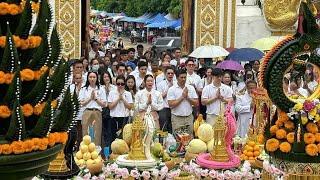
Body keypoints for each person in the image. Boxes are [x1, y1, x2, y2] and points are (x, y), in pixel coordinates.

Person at [79, 71, 107, 146]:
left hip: (97, 112)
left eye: (94, 77)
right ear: (88, 78)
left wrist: (95, 99)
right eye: (90, 77)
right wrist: (90, 98)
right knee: (86, 133)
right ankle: (85, 152)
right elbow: (81, 103)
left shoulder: (101, 88)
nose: (92, 79)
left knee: (96, 134)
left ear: (97, 78)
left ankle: (96, 152)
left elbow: (104, 104)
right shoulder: (84, 89)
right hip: (87, 111)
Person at [168, 69, 198, 137]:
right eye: (181, 77)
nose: (183, 79)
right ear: (177, 77)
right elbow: (170, 104)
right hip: (177, 118)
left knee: (189, 139)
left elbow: (196, 103)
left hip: (189, 117)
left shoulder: (190, 88)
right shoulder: (172, 89)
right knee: (178, 140)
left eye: (185, 77)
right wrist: (182, 97)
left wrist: (187, 97)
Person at [108, 75, 133, 143]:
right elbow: (110, 106)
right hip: (114, 118)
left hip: (124, 118)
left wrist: (123, 99)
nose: (120, 85)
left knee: (124, 138)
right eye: (118, 84)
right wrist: (118, 98)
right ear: (116, 84)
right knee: (113, 138)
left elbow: (130, 107)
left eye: (122, 84)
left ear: (125, 84)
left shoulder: (128, 94)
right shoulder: (112, 93)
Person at [157, 66, 176, 133]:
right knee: (163, 128)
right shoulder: (160, 84)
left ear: (174, 74)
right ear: (165, 74)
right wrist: (169, 88)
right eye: (168, 73)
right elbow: (159, 97)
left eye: (172, 73)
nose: (170, 75)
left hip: (174, 108)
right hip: (164, 108)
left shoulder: (176, 84)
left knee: (172, 128)